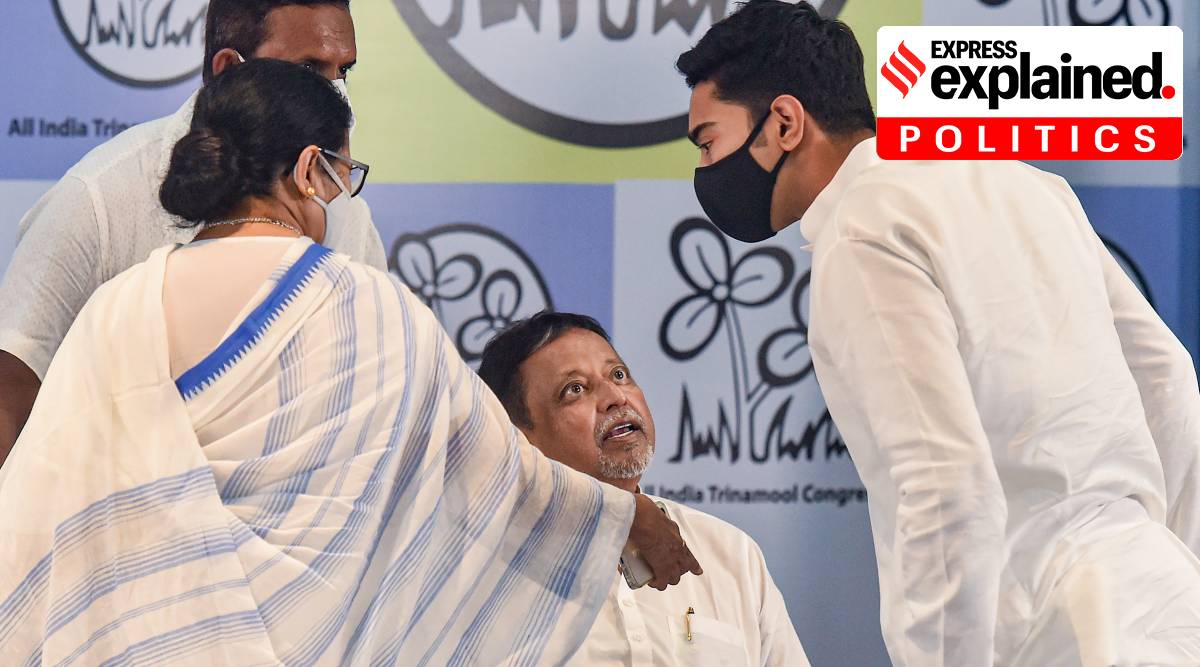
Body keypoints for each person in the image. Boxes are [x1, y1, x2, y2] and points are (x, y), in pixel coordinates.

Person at [0, 59, 701, 665]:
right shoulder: (369, 304)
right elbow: (495, 471)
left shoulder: (117, 309)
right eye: (340, 174)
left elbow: (35, 510)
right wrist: (622, 520)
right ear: (308, 169)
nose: (338, 199)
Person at [677, 1, 1200, 665]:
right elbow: (1169, 377)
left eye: (707, 140)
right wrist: (1170, 561)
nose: (706, 168)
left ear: (783, 122)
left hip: (1053, 631)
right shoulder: (1028, 183)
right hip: (1168, 600)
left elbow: (946, 487)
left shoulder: (865, 231)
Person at [0, 0, 388, 464]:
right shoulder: (100, 197)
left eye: (343, 71)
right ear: (229, 69)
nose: (335, 94)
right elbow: (13, 388)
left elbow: (379, 392)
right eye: (308, 69)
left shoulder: (344, 209)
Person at [478, 311, 809, 667]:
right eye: (574, 389)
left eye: (619, 375)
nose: (615, 397)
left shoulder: (729, 553)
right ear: (520, 437)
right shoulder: (482, 576)